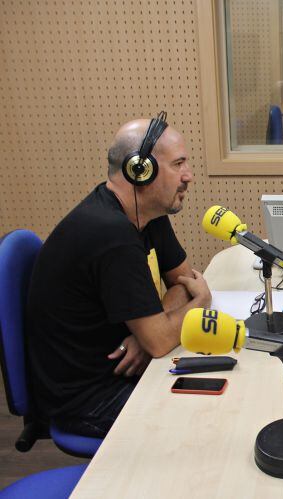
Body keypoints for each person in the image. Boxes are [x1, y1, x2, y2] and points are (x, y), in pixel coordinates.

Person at [26, 113, 212, 438]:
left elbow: (181, 281)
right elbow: (162, 337)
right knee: (202, 423)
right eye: (178, 164)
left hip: (122, 371)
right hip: (88, 399)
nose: (189, 175)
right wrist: (200, 301)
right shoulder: (110, 234)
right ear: (141, 170)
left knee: (216, 386)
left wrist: (151, 330)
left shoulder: (148, 213)